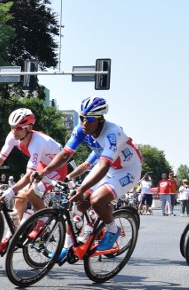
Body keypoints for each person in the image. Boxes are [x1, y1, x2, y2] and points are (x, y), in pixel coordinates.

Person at [33, 96, 142, 255]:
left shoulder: (112, 134)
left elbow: (103, 167)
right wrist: (43, 171)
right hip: (110, 168)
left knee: (96, 200)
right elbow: (64, 155)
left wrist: (82, 186)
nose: (84, 122)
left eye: (89, 119)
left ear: (101, 119)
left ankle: (113, 230)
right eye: (82, 118)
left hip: (128, 170)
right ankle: (82, 237)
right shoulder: (80, 129)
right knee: (81, 202)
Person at [0, 108, 66, 252]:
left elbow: (29, 176)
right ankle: (11, 235)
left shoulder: (37, 142)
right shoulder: (13, 137)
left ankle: (43, 221)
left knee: (30, 193)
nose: (14, 131)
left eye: (18, 128)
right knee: (20, 197)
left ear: (29, 128)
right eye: (12, 127)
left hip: (56, 169)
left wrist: (10, 190)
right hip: (41, 165)